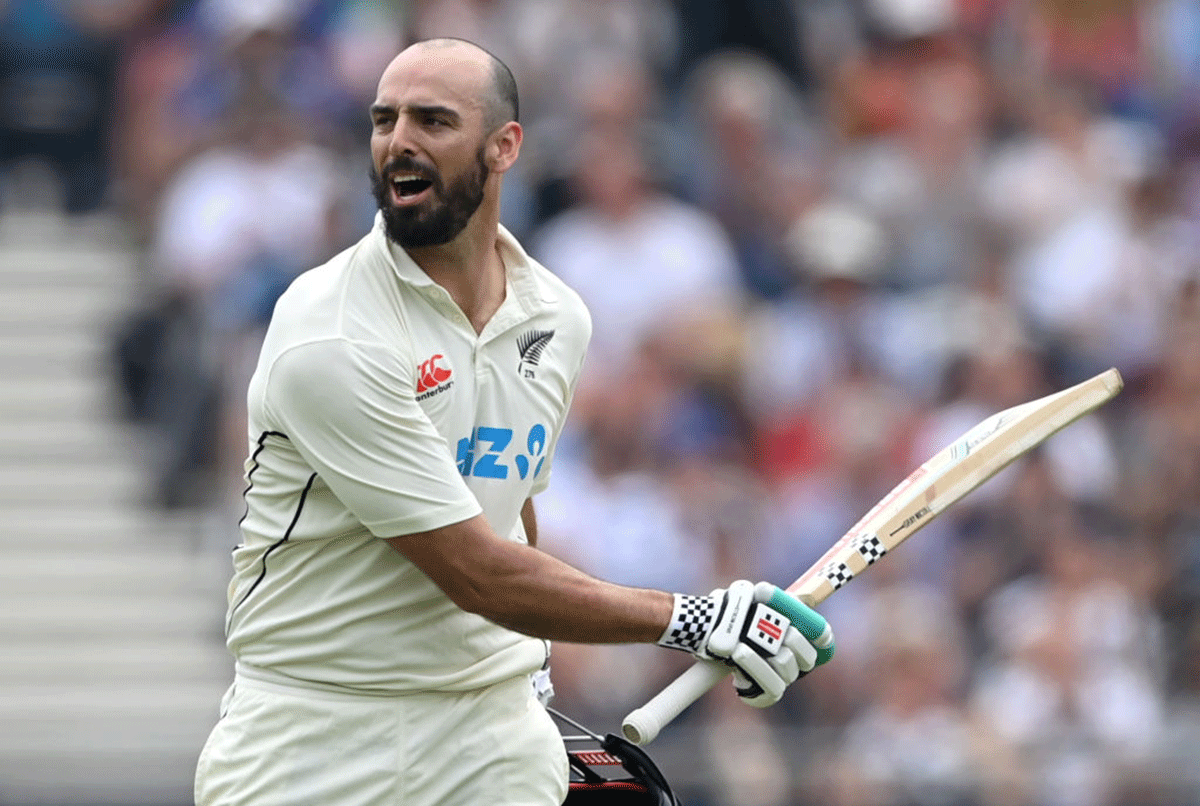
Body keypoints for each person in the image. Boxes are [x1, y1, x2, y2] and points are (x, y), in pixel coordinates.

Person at [193, 37, 835, 806]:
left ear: (504, 147)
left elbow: (510, 516)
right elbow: (476, 570)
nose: (399, 140)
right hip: (316, 737)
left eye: (433, 120)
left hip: (490, 740)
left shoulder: (557, 317)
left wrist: (533, 674)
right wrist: (694, 618)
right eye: (384, 119)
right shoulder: (332, 330)